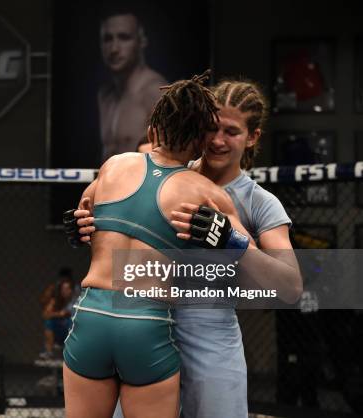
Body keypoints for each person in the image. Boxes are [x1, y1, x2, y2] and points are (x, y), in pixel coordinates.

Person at [70, 79, 302, 418]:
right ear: (196, 130)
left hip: (208, 339)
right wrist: (85, 226)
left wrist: (233, 243)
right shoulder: (161, 173)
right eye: (211, 129)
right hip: (144, 324)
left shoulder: (259, 202)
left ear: (252, 137)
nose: (218, 140)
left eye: (231, 131)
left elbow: (291, 287)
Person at [98, 8, 168, 161]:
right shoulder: (105, 96)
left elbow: (173, 157)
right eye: (108, 39)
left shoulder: (156, 92)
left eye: (124, 37)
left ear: (141, 41)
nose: (114, 49)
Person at [40, 276, 75, 359]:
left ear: (71, 290)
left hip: (74, 330)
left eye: (66, 289)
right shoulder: (56, 301)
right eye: (62, 289)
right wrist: (59, 314)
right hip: (61, 329)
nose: (64, 291)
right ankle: (49, 352)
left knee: (71, 322)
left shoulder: (76, 300)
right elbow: (45, 315)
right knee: (49, 322)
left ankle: (72, 352)